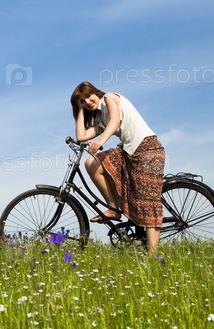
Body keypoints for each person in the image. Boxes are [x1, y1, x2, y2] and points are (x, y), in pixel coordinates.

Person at [71, 81, 166, 255]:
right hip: (129, 151)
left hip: (147, 148)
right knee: (91, 163)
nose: (88, 102)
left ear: (96, 92)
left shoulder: (110, 98)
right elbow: (81, 136)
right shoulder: (101, 117)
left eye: (88, 97)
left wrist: (100, 141)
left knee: (147, 202)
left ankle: (153, 257)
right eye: (82, 101)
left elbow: (115, 121)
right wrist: (80, 110)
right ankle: (113, 208)